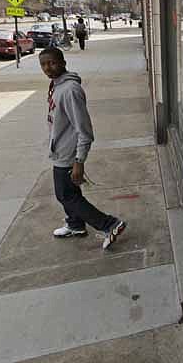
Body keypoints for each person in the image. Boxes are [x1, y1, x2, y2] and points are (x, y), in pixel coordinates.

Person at [39, 47, 126, 249]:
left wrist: (79, 161)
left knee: (66, 195)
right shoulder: (57, 85)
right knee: (71, 194)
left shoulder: (69, 90)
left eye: (52, 63)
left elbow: (84, 131)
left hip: (68, 154)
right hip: (60, 149)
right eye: (43, 64)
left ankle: (109, 224)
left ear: (62, 62)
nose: (47, 68)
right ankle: (75, 224)